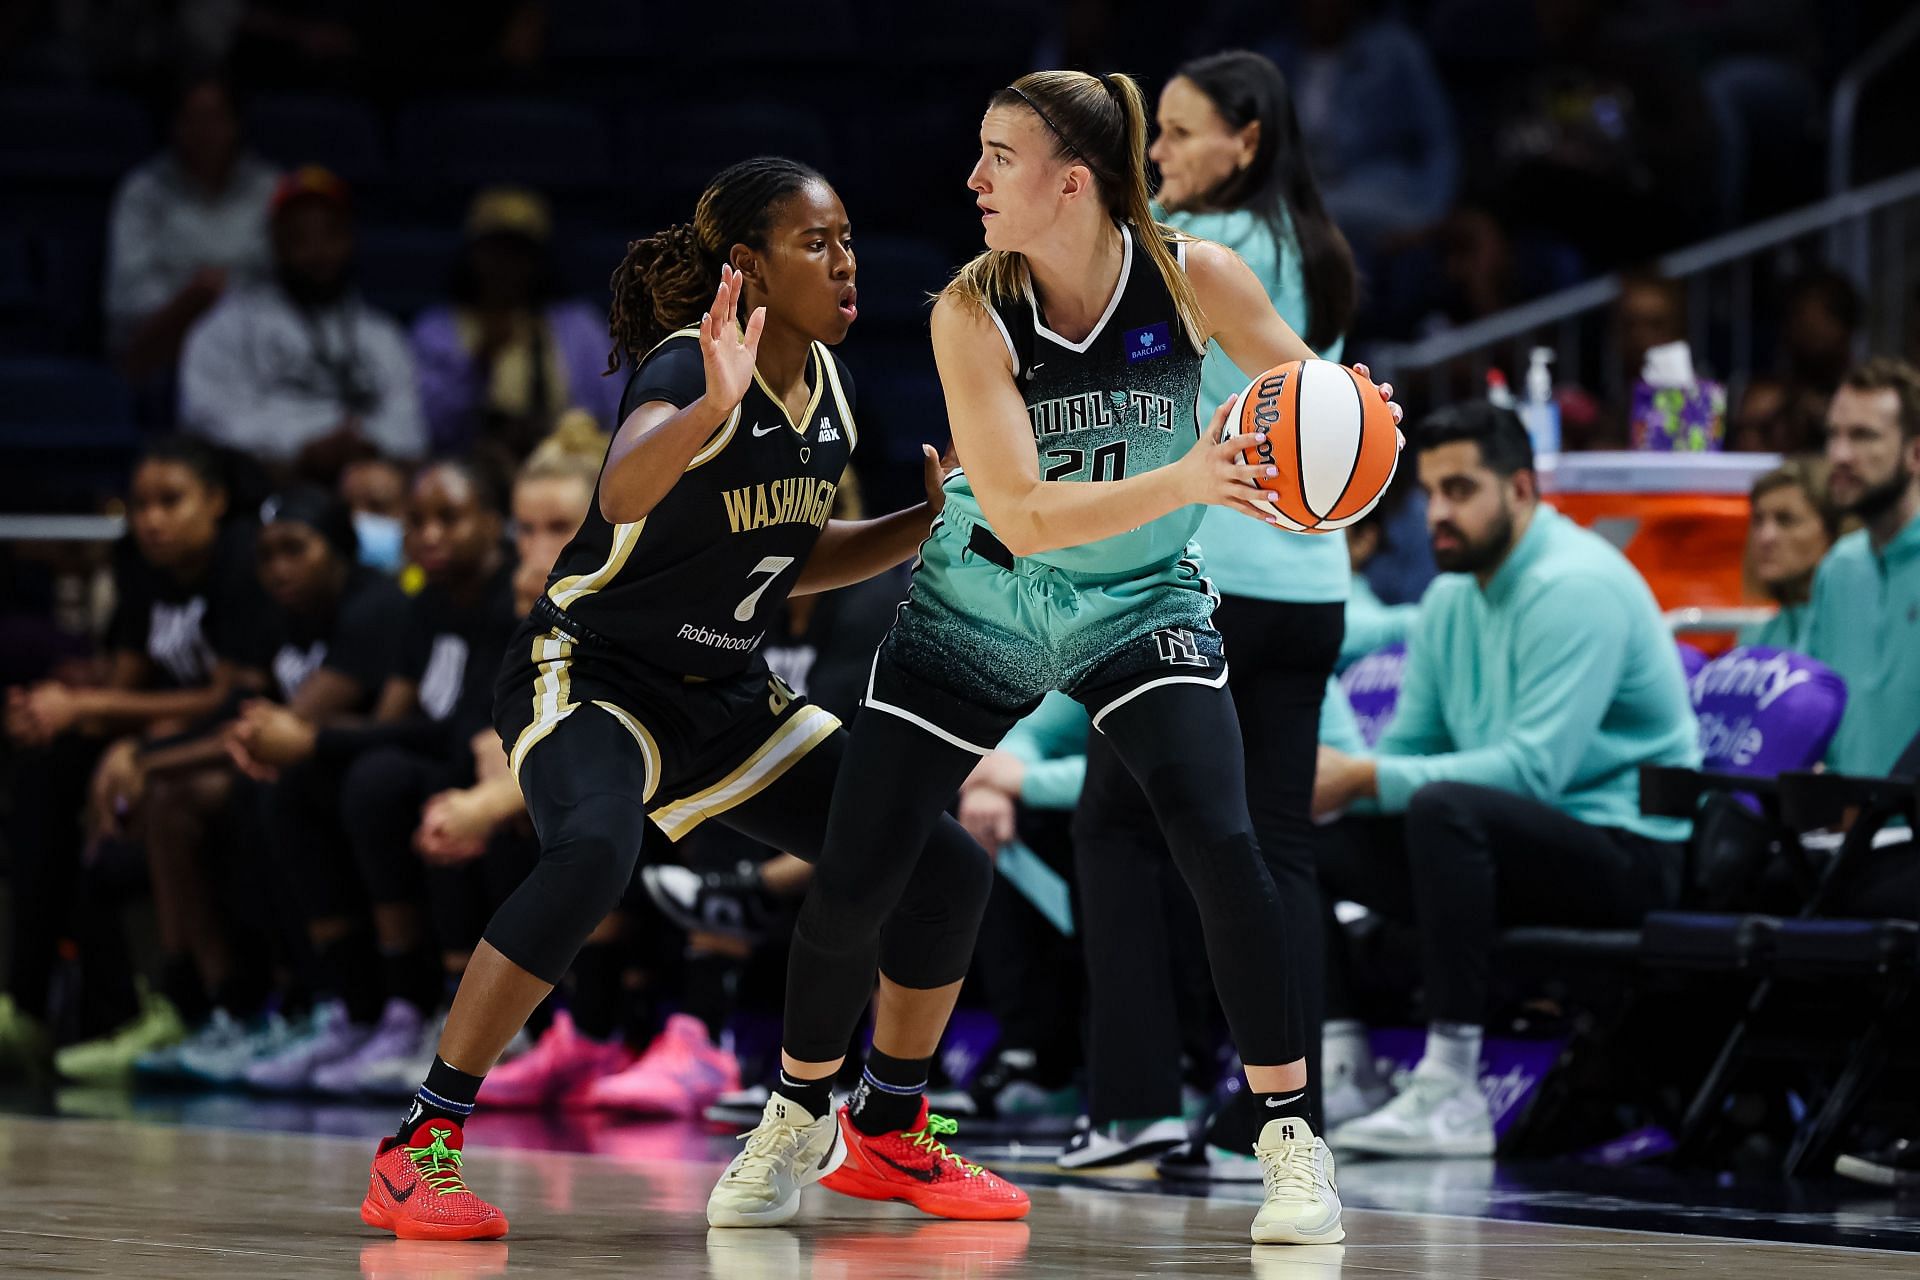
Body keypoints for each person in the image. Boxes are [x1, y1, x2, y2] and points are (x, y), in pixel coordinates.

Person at [719, 71, 1399, 1248]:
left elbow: (1309, 394)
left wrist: (1354, 419)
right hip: (989, 592)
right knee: (859, 870)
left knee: (1220, 837)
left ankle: (1290, 1138)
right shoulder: (968, 312)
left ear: (1071, 182)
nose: (973, 180)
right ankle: (796, 1112)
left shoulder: (1200, 279)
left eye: (999, 157)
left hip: (1139, 596)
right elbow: (1025, 514)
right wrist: (1189, 479)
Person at [358, 158, 979, 1243]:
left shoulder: (827, 392)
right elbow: (624, 488)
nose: (845, 262)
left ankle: (888, 1126)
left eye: (848, 241)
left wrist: (915, 527)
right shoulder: (688, 364)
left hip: (725, 690)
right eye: (816, 243)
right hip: (593, 667)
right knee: (594, 851)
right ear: (747, 265)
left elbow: (785, 558)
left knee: (939, 858)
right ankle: (422, 1141)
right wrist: (709, 407)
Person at [1061, 48, 1363, 1182]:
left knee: (1114, 827)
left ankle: (1133, 1101)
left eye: (1180, 135)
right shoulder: (1316, 251)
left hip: (1209, 579)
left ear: (1247, 138)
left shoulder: (1202, 257)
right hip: (1312, 584)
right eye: (1156, 135)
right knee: (1275, 848)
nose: (1158, 155)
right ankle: (1277, 1121)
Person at [1312, 401, 1699, 1158]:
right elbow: (1412, 743)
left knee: (1439, 808)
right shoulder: (1450, 598)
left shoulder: (1575, 585)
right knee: (1298, 829)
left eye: (1460, 490)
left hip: (1628, 848)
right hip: (1507, 840)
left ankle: (1453, 1088)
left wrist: (1363, 775)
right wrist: (1345, 785)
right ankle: (1342, 1063)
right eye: (1428, 494)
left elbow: (1532, 772)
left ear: (1521, 489)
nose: (1437, 515)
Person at [0, 438, 267, 1081]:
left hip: (235, 738)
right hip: (174, 733)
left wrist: (117, 727)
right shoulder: (142, 567)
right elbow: (131, 679)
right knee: (50, 763)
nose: (152, 519)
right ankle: (30, 1005)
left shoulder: (242, 563)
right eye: (141, 505)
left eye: (171, 502)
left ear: (216, 501)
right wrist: (65, 711)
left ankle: (174, 1006)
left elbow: (228, 693)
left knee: (132, 792)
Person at [178, 165, 426, 474]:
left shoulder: (381, 335)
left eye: (330, 234)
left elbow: (410, 432)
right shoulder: (227, 327)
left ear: (350, 239)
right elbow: (208, 421)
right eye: (301, 237)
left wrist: (368, 444)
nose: (318, 251)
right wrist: (300, 449)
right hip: (268, 488)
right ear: (276, 243)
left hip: (369, 486)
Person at [412, 187, 624, 461]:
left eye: (518, 252)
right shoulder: (437, 330)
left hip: (568, 462)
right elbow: (431, 430)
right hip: (474, 465)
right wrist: (479, 364)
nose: (505, 265)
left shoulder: (580, 326)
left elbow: (618, 412)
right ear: (472, 255)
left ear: (539, 260)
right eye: (494, 250)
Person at [105, 73, 279, 382]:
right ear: (175, 125)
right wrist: (193, 300)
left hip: (257, 343)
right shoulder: (143, 192)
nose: (205, 131)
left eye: (215, 117)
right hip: (167, 344)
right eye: (193, 118)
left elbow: (284, 280)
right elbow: (126, 298)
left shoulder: (270, 189)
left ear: (236, 124)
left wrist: (220, 301)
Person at [1805, 358, 1920, 777]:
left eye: (1862, 436)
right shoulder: (1838, 566)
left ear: (1916, 453)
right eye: (1833, 435)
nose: (1839, 455)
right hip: (1845, 834)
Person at [1739, 460, 1838, 652]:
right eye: (1758, 520)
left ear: (1832, 532)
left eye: (1786, 520)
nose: (1765, 537)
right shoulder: (1755, 633)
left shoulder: (1851, 627)